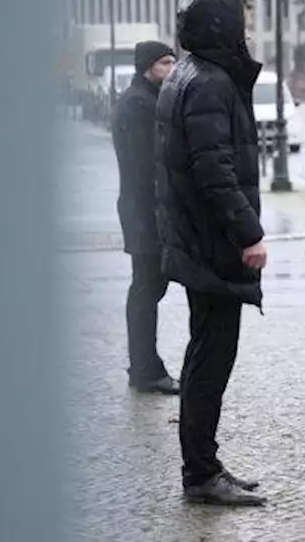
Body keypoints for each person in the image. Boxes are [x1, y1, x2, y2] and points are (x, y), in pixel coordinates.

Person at [155, 0, 268, 506]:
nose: (246, 31)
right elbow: (214, 171)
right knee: (210, 358)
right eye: (240, 21)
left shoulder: (191, 73)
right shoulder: (210, 82)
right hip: (214, 244)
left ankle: (205, 465)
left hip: (200, 240)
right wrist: (249, 234)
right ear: (221, 27)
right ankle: (200, 474)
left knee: (207, 353)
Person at [111, 40, 179, 396]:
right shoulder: (140, 104)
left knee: (148, 288)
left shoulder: (144, 99)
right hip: (144, 212)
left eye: (173, 62)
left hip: (144, 210)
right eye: (165, 63)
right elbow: (148, 164)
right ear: (147, 67)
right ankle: (145, 367)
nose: (171, 69)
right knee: (146, 289)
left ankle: (145, 366)